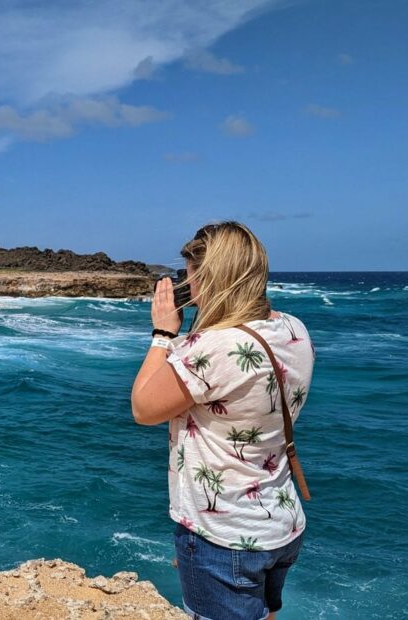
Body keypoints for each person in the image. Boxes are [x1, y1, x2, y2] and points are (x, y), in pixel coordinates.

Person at [130, 221, 314, 620]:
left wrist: (163, 333)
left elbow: (143, 408)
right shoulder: (293, 329)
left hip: (224, 536)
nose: (188, 285)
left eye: (190, 275)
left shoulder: (213, 348)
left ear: (210, 277)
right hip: (280, 522)